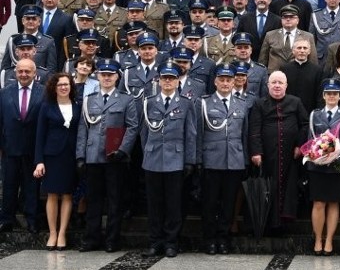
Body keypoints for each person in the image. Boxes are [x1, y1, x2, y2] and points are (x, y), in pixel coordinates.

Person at [76, 59, 139, 252]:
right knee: (93, 200)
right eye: (103, 74)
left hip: (115, 158)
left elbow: (132, 127)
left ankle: (112, 239)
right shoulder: (89, 99)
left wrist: (122, 150)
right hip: (93, 155)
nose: (106, 78)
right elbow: (83, 128)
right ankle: (92, 237)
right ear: (98, 76)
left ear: (117, 77)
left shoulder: (126, 99)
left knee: (114, 201)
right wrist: (80, 155)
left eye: (110, 75)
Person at [137, 61, 196, 258]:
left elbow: (191, 134)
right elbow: (143, 133)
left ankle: (171, 242)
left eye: (172, 78)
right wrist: (148, 152)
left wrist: (189, 160)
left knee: (173, 203)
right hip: (153, 158)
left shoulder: (186, 104)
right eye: (165, 78)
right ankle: (155, 241)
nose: (168, 82)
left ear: (178, 81)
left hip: (176, 160)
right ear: (159, 80)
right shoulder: (149, 102)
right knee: (154, 204)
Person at [196, 63, 251, 255]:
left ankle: (223, 237)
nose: (226, 83)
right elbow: (199, 134)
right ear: (215, 82)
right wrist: (199, 159)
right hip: (212, 159)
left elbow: (244, 135)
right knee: (210, 202)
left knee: (229, 203)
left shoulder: (241, 104)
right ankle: (210, 239)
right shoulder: (204, 103)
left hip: (234, 160)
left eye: (229, 80)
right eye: (222, 80)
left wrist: (244, 160)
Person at [249, 71, 308, 232]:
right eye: (273, 82)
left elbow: (304, 124)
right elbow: (254, 129)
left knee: (288, 189)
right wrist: (256, 152)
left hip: (291, 155)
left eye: (280, 83)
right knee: (270, 187)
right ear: (267, 85)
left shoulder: (295, 102)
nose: (276, 85)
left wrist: (300, 146)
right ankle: (269, 225)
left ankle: (285, 224)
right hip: (267, 156)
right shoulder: (259, 104)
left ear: (286, 86)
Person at [306, 79, 340, 256]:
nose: (332, 96)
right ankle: (318, 239)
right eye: (328, 93)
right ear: (323, 95)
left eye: (335, 94)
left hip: (337, 166)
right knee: (318, 203)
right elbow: (310, 139)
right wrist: (316, 155)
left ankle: (329, 240)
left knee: (334, 202)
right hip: (318, 166)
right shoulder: (315, 114)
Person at [33, 73, 81, 250]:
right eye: (60, 84)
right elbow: (39, 136)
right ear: (54, 87)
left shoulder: (77, 106)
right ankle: (52, 233)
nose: (63, 87)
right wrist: (39, 161)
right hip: (52, 156)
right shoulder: (46, 107)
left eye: (66, 84)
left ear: (71, 87)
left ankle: (62, 234)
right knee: (52, 195)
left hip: (70, 156)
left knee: (67, 194)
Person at [0, 58, 45, 233]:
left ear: (35, 73)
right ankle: (6, 220)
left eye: (27, 71)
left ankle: (32, 220)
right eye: (20, 71)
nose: (24, 74)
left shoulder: (44, 93)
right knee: (9, 185)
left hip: (33, 148)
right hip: (9, 148)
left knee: (32, 186)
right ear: (15, 73)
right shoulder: (4, 93)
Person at [259, 4, 318, 71]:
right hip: (275, 77)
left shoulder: (308, 36)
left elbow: (313, 61)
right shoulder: (270, 35)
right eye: (285, 17)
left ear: (297, 20)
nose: (288, 19)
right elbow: (262, 60)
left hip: (298, 75)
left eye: (292, 17)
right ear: (281, 19)